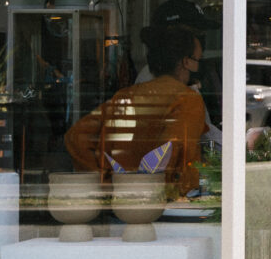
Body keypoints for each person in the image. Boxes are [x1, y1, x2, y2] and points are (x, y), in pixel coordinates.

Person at [64, 23, 207, 198]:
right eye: (199, 60)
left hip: (121, 203)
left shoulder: (125, 95)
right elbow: (176, 149)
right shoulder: (188, 99)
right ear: (187, 62)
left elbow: (75, 137)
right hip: (164, 204)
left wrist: (105, 183)